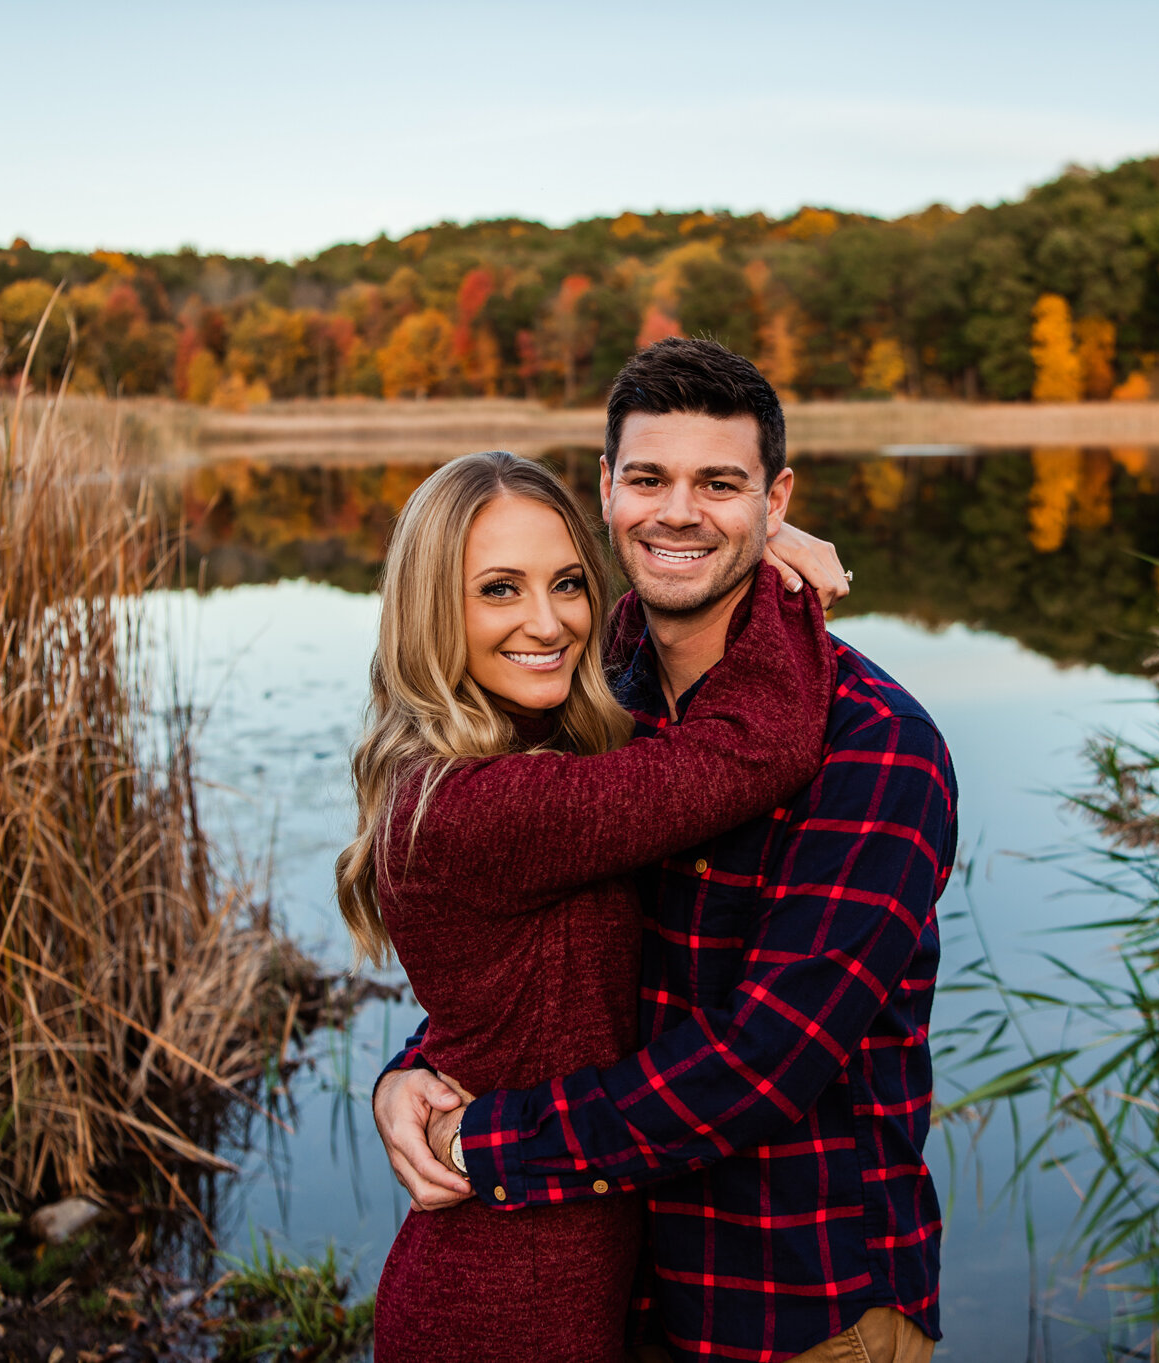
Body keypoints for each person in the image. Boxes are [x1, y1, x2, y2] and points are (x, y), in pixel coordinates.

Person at [375, 339, 958, 1363]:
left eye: (718, 483)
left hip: (796, 1302)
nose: (677, 511)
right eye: (648, 478)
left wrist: (489, 1140)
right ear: (606, 491)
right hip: (620, 1289)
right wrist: (414, 1065)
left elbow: (759, 1062)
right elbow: (529, 946)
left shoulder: (876, 750)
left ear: (774, 501)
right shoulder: (597, 686)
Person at [340, 449, 837, 1363]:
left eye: (568, 581)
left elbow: (512, 1001)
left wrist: (717, 546)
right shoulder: (480, 805)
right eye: (498, 589)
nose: (548, 621)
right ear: (429, 613)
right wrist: (768, 560)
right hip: (503, 1306)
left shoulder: (522, 752)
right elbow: (754, 750)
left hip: (562, 1277)